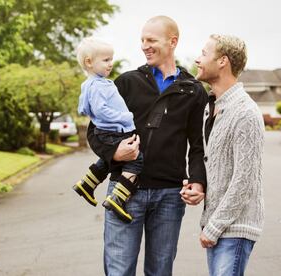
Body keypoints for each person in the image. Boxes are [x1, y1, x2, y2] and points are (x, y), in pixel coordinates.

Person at [87, 16, 208, 275]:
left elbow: (198, 145)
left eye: (151, 40)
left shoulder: (193, 90)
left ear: (172, 42)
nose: (144, 46)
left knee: (160, 271)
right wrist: (114, 152)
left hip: (169, 197)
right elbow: (94, 130)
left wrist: (198, 182)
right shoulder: (127, 82)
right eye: (142, 40)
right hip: (125, 191)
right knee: (119, 271)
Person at [182, 34, 265, 276]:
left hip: (234, 228)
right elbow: (220, 167)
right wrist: (199, 186)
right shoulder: (213, 108)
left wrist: (215, 226)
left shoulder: (245, 113)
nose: (198, 60)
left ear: (223, 61)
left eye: (204, 54)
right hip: (220, 228)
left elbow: (244, 180)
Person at [73, 37, 143, 223]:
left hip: (109, 129)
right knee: (136, 160)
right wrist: (124, 117)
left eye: (111, 59)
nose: (110, 64)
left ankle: (86, 184)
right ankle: (117, 198)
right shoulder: (97, 85)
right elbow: (99, 109)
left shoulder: (91, 84)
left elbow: (83, 108)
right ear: (89, 62)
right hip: (114, 129)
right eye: (106, 60)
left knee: (110, 159)